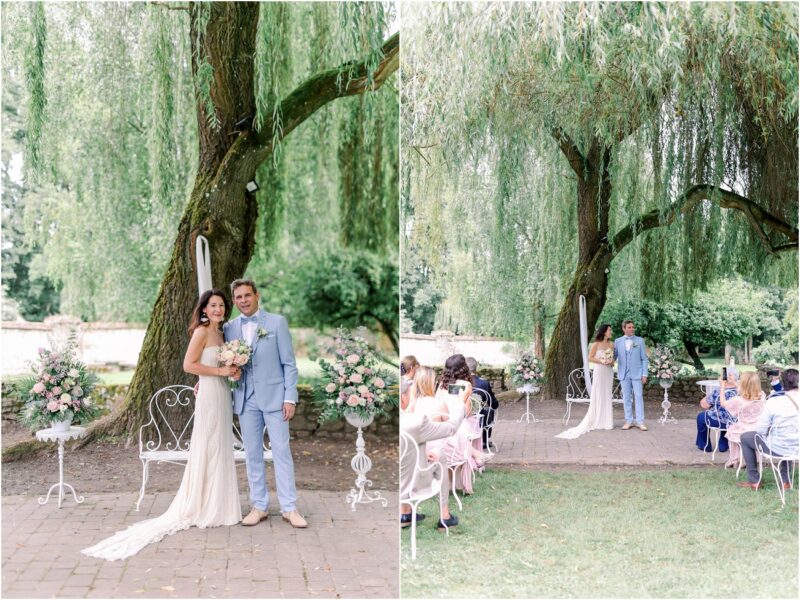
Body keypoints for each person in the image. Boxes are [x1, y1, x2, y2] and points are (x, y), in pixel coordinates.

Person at [82, 290, 242, 561]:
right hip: (211, 394)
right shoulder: (202, 332)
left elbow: (206, 365)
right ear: (203, 309)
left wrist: (231, 370)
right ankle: (202, 504)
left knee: (220, 444)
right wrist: (217, 373)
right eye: (213, 305)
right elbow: (188, 364)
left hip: (220, 392)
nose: (218, 309)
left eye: (222, 305)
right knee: (209, 443)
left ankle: (219, 503)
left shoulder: (222, 333)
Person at [225, 279, 306, 528]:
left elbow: (289, 364)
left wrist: (289, 397)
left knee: (281, 452)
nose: (243, 301)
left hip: (274, 399)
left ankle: (289, 508)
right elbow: (224, 363)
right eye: (238, 297)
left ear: (256, 295)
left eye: (247, 295)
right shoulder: (229, 328)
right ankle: (258, 506)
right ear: (234, 300)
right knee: (252, 454)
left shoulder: (276, 323)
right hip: (245, 398)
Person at [426, 354, 491, 496]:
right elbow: (463, 410)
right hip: (456, 423)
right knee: (458, 434)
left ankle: (476, 456)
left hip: (444, 425)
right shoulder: (466, 385)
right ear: (464, 368)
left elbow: (441, 403)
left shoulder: (442, 386)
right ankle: (477, 454)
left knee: (455, 433)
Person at [400, 391, 466, 530]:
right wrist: (460, 405)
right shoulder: (415, 422)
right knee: (439, 455)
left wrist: (422, 454)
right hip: (413, 484)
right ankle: (445, 517)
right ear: (403, 397)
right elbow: (451, 428)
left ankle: (405, 513)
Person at [737, 368, 800, 490]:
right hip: (797, 446)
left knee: (745, 437)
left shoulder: (774, 401)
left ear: (783, 382)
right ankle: (785, 481)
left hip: (778, 447)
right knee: (787, 437)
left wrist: (771, 433)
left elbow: (760, 430)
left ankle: (754, 481)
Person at [557, 324, 615, 439]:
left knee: (607, 394)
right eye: (609, 330)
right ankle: (597, 420)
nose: (611, 331)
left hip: (608, 372)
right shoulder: (596, 344)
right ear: (604, 332)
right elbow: (590, 358)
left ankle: (606, 421)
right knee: (598, 394)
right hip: (599, 371)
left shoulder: (611, 344)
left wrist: (611, 362)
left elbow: (612, 358)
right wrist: (602, 361)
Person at [720, 371, 766, 468]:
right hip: (757, 429)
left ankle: (735, 459)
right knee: (733, 429)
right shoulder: (762, 395)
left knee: (731, 430)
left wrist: (722, 386)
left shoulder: (738, 400)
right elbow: (748, 389)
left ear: (742, 384)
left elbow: (723, 404)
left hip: (743, 429)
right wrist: (734, 382)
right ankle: (747, 459)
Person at [614, 320, 649, 430]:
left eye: (633, 327)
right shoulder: (618, 341)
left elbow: (644, 358)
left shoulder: (640, 341)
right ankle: (628, 421)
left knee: (638, 397)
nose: (632, 329)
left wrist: (644, 374)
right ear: (624, 328)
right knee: (626, 398)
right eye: (629, 327)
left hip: (637, 373)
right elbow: (613, 357)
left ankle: (640, 422)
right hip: (624, 374)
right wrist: (605, 360)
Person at [695, 367, 739, 453]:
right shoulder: (741, 391)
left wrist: (710, 394)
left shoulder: (719, 391)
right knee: (727, 417)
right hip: (734, 422)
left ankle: (705, 445)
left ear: (726, 377)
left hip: (718, 421)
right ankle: (723, 444)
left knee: (701, 417)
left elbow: (703, 404)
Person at [465, 357, 499, 450]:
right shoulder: (484, 383)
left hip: (462, 416)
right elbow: (493, 403)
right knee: (487, 411)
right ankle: (484, 440)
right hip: (478, 416)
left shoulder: (460, 383)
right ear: (476, 368)